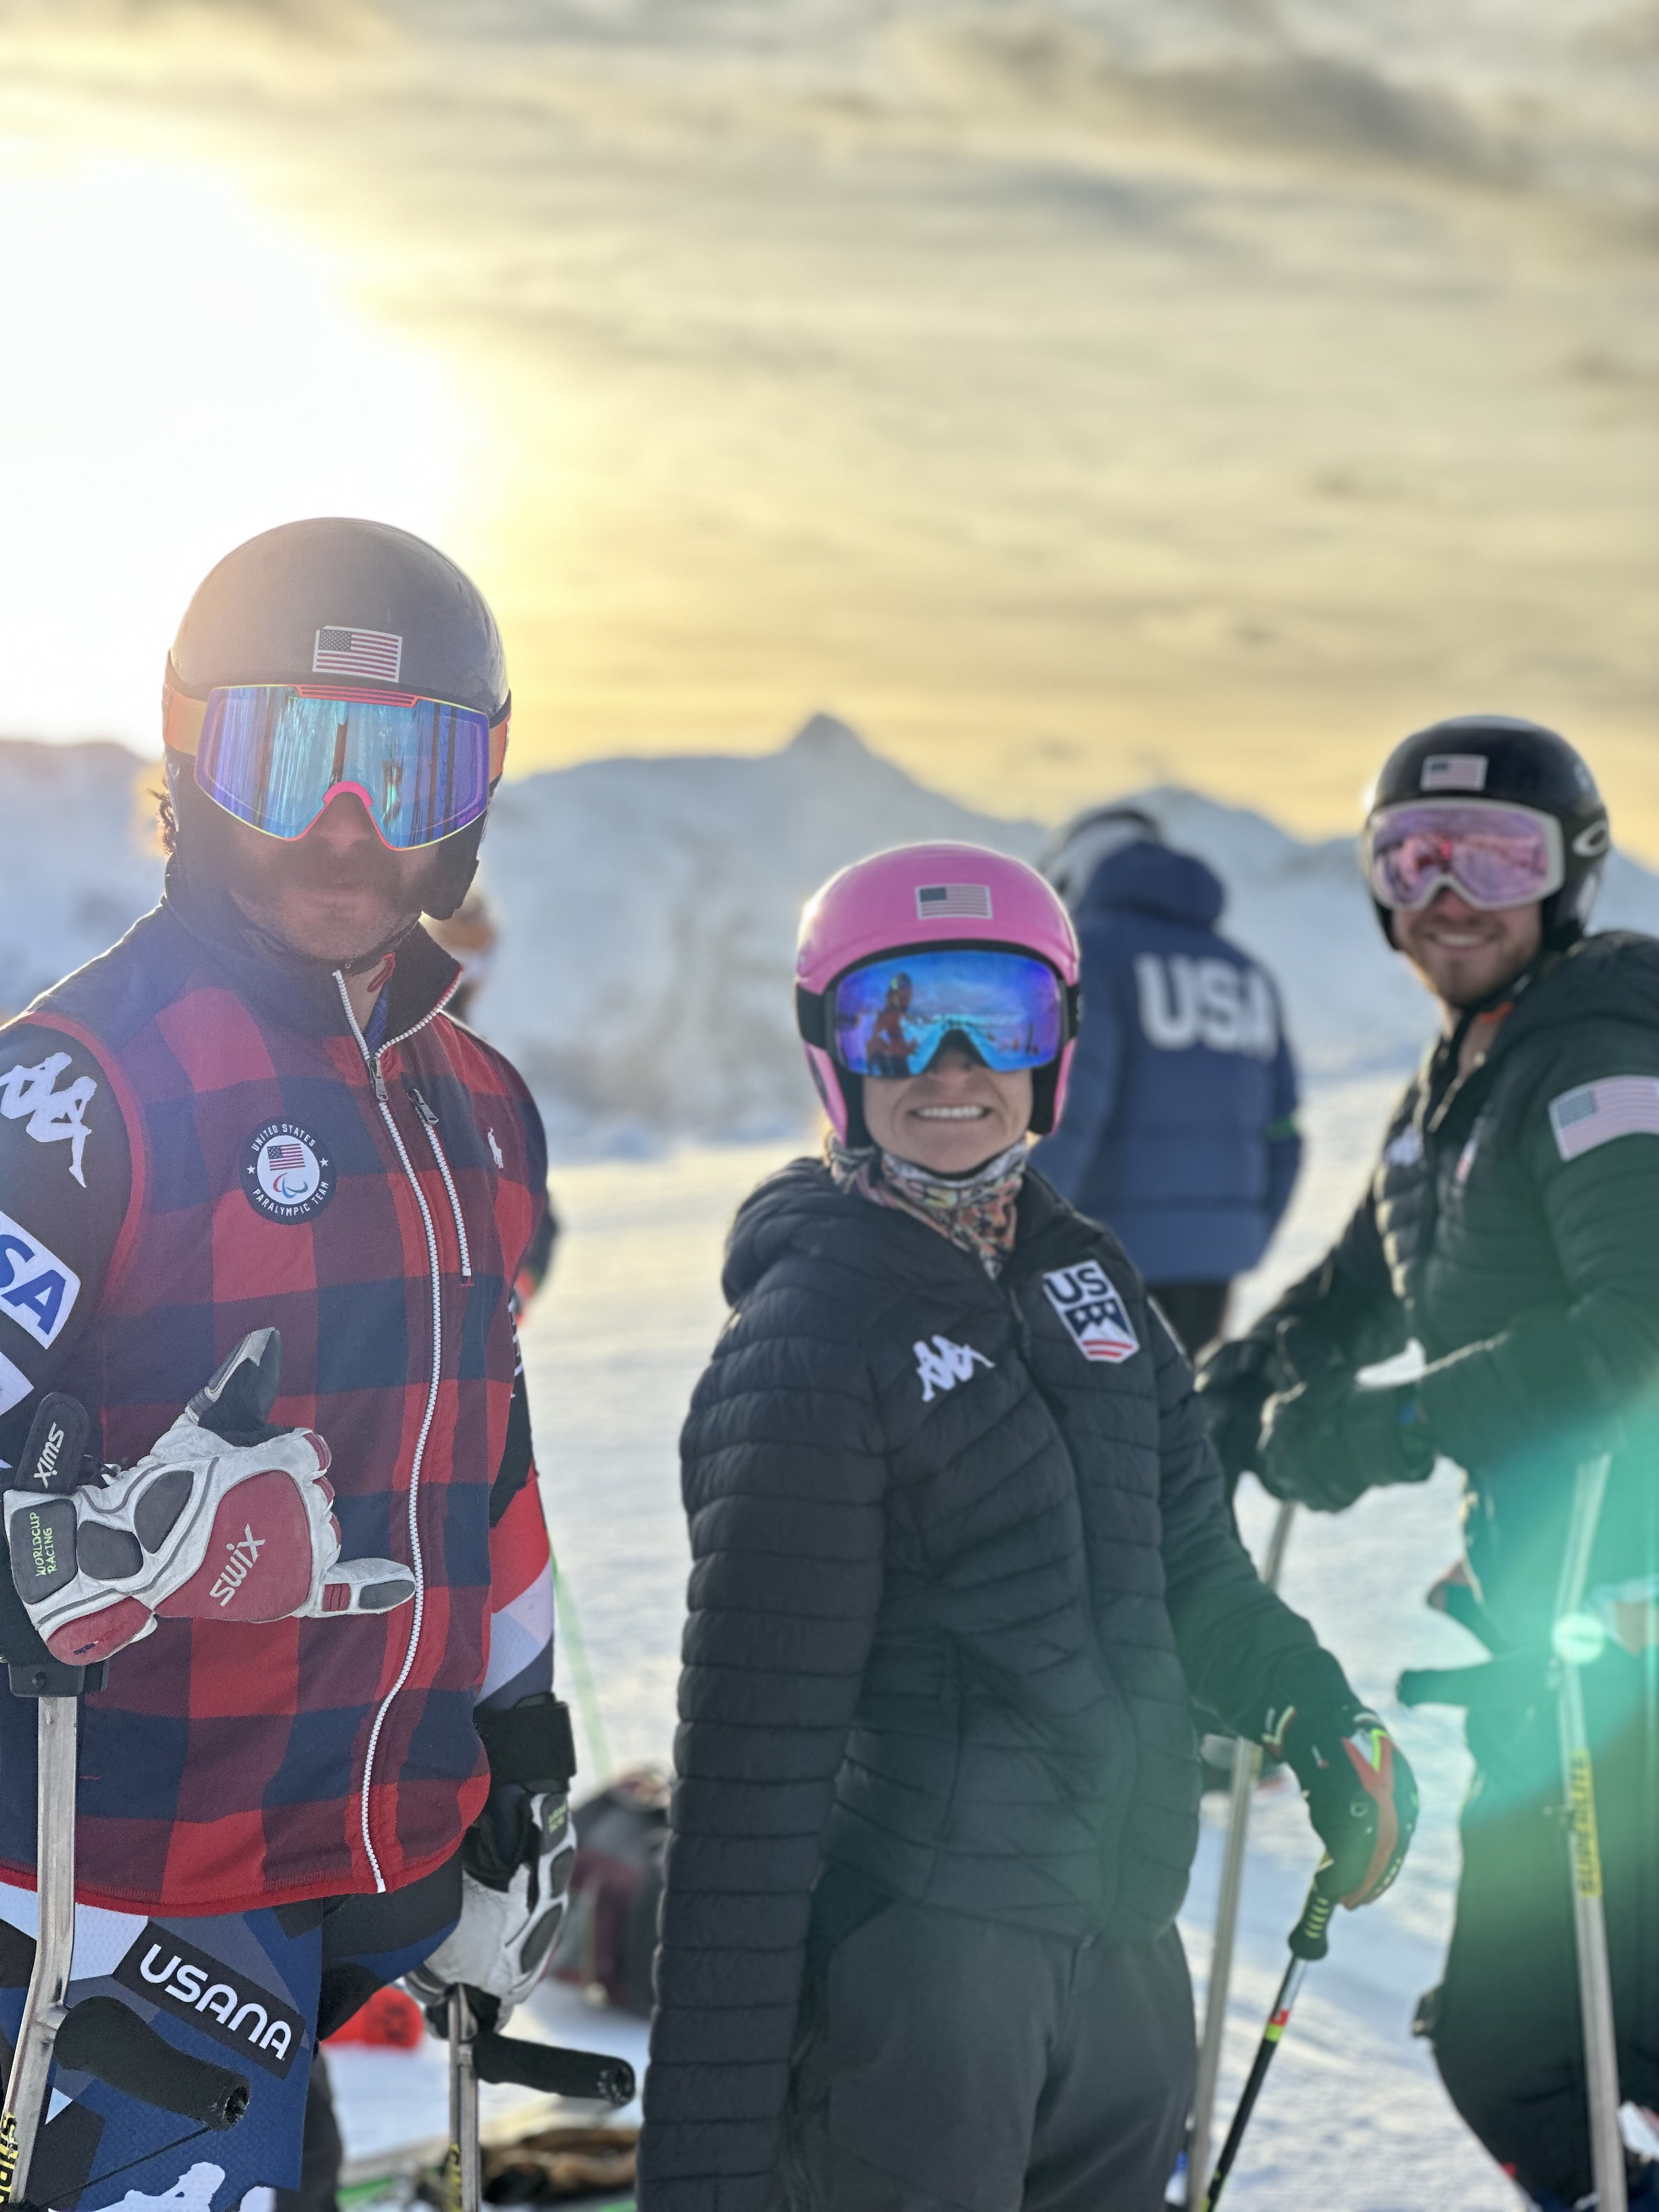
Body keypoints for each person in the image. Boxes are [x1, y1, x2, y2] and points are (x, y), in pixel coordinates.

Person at [635, 840, 1418, 2212]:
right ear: (835, 1052)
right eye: (897, 1018)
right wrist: (701, 2170)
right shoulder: (809, 1344)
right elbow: (748, 1797)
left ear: (1055, 1043)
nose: (949, 1064)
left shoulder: (1091, 1283)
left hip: (1122, 1955)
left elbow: (1193, 1572)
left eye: (996, 1018)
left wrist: (1313, 1710)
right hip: (927, 1983)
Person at [0, 519, 575, 2212]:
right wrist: (58, 1544)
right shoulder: (76, 1087)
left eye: (401, 769)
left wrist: (517, 1766)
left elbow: (489, 1455)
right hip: (125, 1885)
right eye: (288, 757)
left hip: (373, 1845)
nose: (343, 825)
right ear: (193, 760)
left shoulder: (476, 1104)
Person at [1194, 715, 1659, 2210]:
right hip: (1557, 1612)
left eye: (1497, 855)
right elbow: (1364, 1281)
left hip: (1626, 1621)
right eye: (1412, 855)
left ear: (1571, 876)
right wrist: (1227, 1390)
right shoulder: (1472, 1063)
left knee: (1538, 2043)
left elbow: (1641, 1326)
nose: (1449, 890)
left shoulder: (1594, 1051)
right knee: (1564, 2037)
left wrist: (1395, 1429)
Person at [1032, 804, 1300, 1358]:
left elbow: (1071, 1112)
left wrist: (1017, 1234)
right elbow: (1283, 1133)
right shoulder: (1246, 971)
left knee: (1102, 1426)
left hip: (1103, 1259)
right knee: (1181, 1422)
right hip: (1217, 1265)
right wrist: (1240, 1240)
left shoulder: (1093, 955)